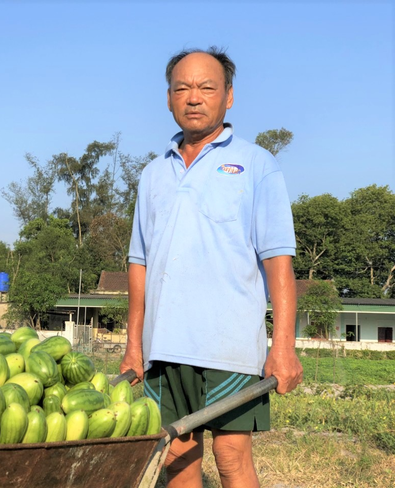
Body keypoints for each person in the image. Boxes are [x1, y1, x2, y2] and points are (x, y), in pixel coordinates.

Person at [120, 47, 303, 488]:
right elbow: (139, 264)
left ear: (229, 97)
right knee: (176, 455)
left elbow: (278, 260)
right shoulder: (152, 174)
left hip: (229, 345)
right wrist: (133, 344)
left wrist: (283, 345)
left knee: (231, 456)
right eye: (182, 88)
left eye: (207, 87)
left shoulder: (256, 164)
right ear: (168, 98)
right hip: (163, 345)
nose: (194, 97)